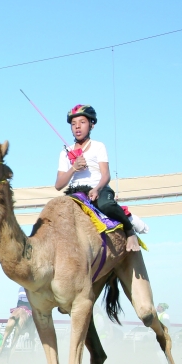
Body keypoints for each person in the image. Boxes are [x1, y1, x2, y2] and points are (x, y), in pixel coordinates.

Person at [54, 105, 140, 253]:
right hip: (75, 193)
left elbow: (106, 175)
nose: (77, 127)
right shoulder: (64, 152)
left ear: (91, 124)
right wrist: (73, 168)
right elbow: (58, 185)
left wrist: (97, 189)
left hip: (97, 188)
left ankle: (129, 230)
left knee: (106, 205)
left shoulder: (98, 146)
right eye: (73, 124)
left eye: (82, 122)